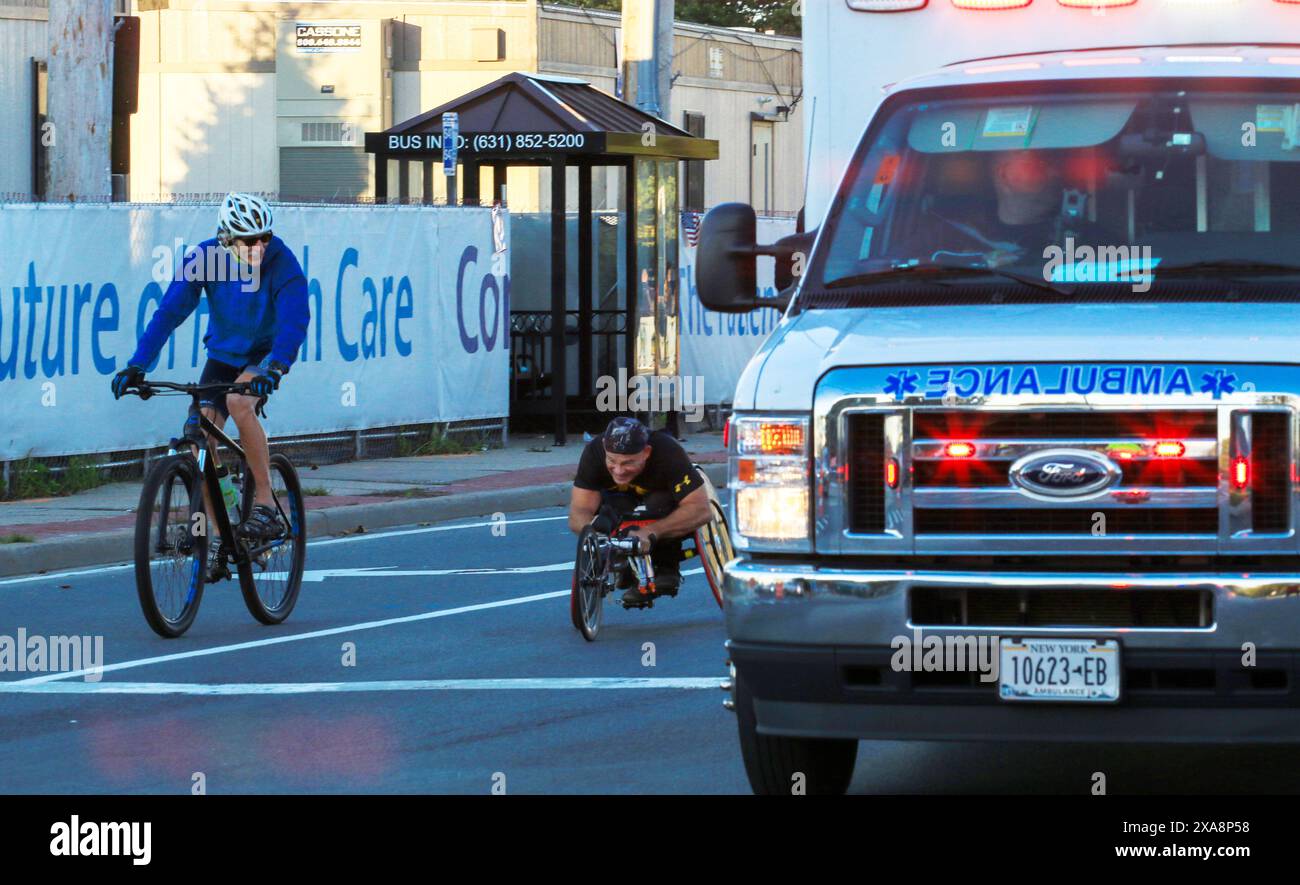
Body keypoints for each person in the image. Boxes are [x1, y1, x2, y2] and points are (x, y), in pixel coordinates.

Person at [111, 192, 310, 543]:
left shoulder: (281, 260)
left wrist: (275, 367)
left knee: (238, 403)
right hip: (223, 355)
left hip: (264, 354)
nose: (260, 246)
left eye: (266, 237)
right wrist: (137, 364)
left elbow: (295, 320)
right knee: (199, 441)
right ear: (226, 239)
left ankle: (265, 504)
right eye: (250, 240)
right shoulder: (205, 258)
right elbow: (169, 313)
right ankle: (220, 531)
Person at [569, 417, 713, 604]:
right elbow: (579, 510)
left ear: (646, 452)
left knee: (658, 502)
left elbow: (701, 509)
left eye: (628, 463)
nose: (619, 470)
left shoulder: (667, 452)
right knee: (610, 510)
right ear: (604, 447)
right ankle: (624, 565)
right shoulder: (594, 452)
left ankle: (666, 567)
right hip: (617, 500)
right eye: (612, 461)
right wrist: (594, 533)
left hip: (660, 500)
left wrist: (652, 531)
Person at [921, 149, 1116, 267]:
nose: (1056, 173)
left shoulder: (1090, 241)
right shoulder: (943, 239)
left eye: (1055, 163)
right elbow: (901, 273)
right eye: (1039, 164)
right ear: (1004, 175)